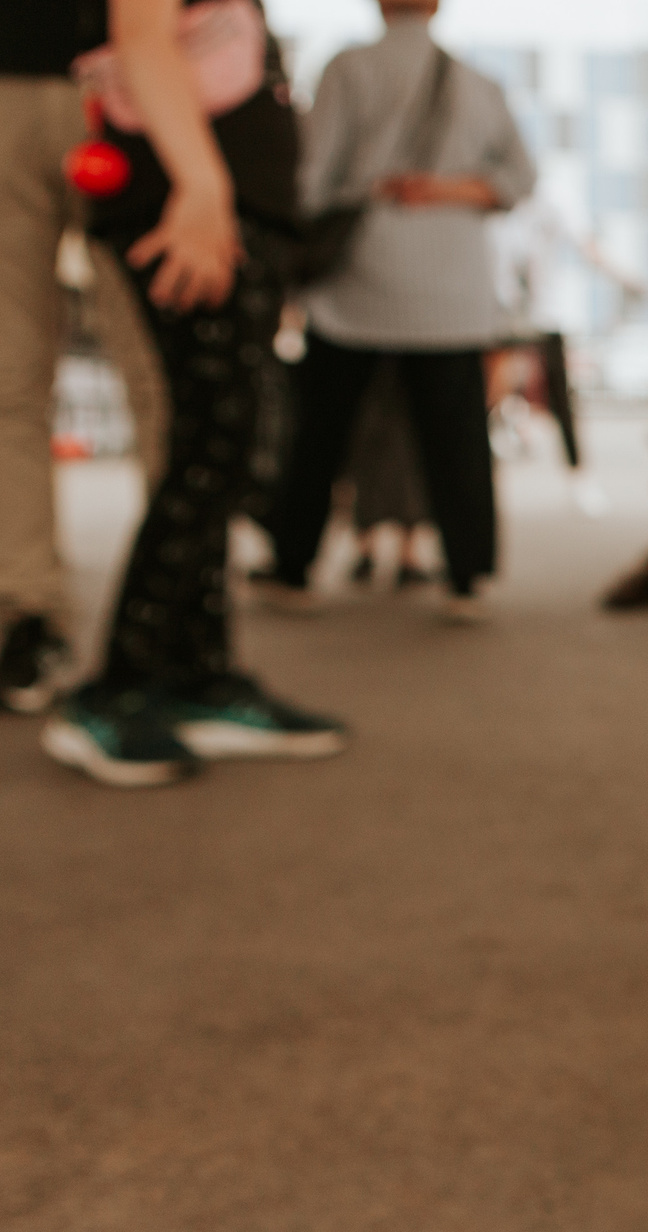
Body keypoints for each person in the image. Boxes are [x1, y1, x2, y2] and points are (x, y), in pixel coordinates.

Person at [37, 0, 345, 787]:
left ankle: (199, 675)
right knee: (216, 445)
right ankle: (117, 689)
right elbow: (141, 34)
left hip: (225, 200)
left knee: (222, 442)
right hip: (193, 204)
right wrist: (203, 187)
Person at [259, 0, 533, 625]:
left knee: (320, 435)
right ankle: (469, 575)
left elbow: (310, 181)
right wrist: (445, 190)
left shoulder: (348, 69)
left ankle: (292, 567)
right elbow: (522, 177)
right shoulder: (479, 82)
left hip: (360, 284)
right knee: (459, 441)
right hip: (453, 292)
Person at [2, 1, 165, 715]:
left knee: (156, 373)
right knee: (10, 375)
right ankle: (26, 609)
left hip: (128, 82)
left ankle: (172, 601)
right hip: (24, 88)